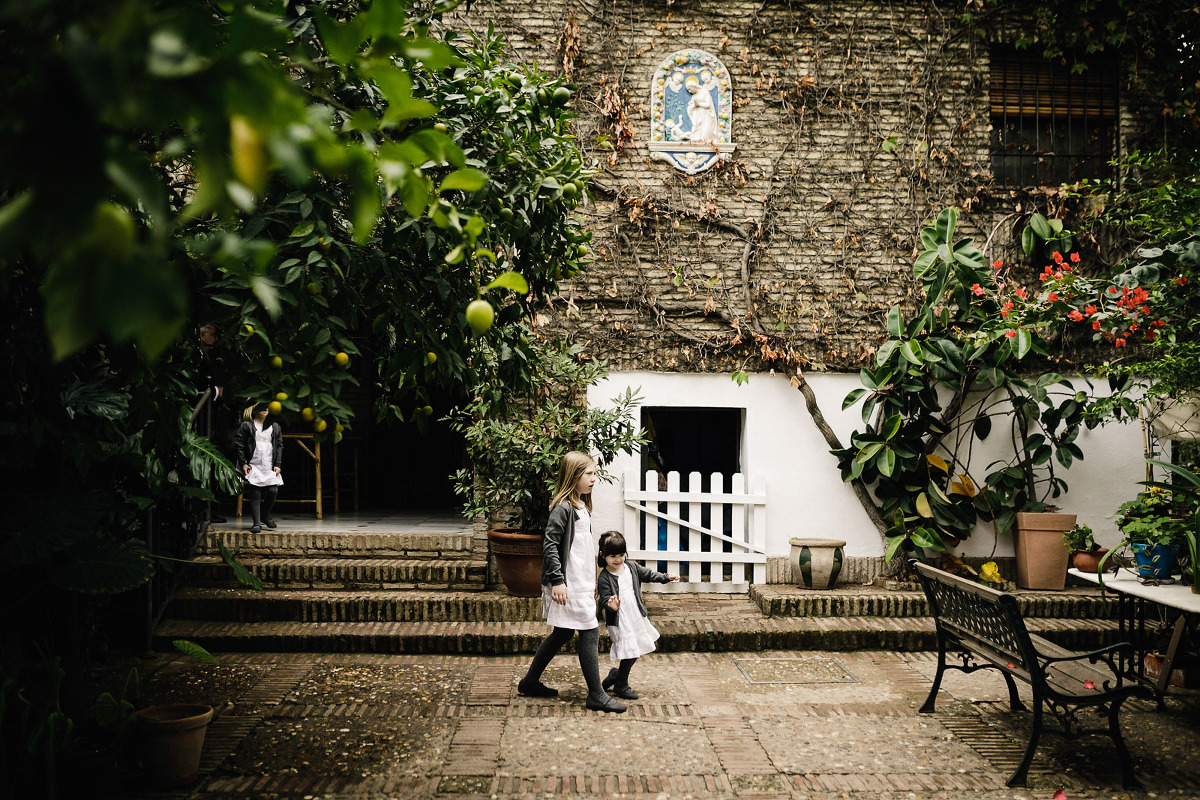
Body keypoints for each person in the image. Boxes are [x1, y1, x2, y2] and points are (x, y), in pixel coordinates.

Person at [517, 451, 626, 713]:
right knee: (590, 630)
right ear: (573, 475)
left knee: (563, 632)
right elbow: (551, 546)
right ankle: (596, 695)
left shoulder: (581, 506)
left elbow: (582, 550)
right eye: (588, 474)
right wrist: (557, 581)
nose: (593, 479)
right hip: (566, 583)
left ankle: (530, 681)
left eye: (595, 474)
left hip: (579, 582)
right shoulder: (564, 507)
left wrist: (594, 580)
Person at [596, 531, 678, 699]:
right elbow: (605, 599)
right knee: (631, 651)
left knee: (636, 649)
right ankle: (621, 685)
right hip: (620, 620)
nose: (618, 559)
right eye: (613, 556)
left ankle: (616, 676)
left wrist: (666, 577)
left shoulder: (631, 568)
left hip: (635, 616)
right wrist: (611, 605)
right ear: (603, 555)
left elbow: (649, 574)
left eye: (621, 555)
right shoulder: (604, 577)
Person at [235, 402, 283, 534]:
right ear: (253, 410)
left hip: (268, 464)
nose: (265, 409)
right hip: (253, 465)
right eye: (261, 407)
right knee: (255, 491)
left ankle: (265, 515)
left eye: (267, 407)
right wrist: (243, 462)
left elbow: (279, 445)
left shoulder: (275, 426)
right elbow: (239, 444)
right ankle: (256, 522)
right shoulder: (247, 425)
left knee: (273, 490)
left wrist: (278, 464)